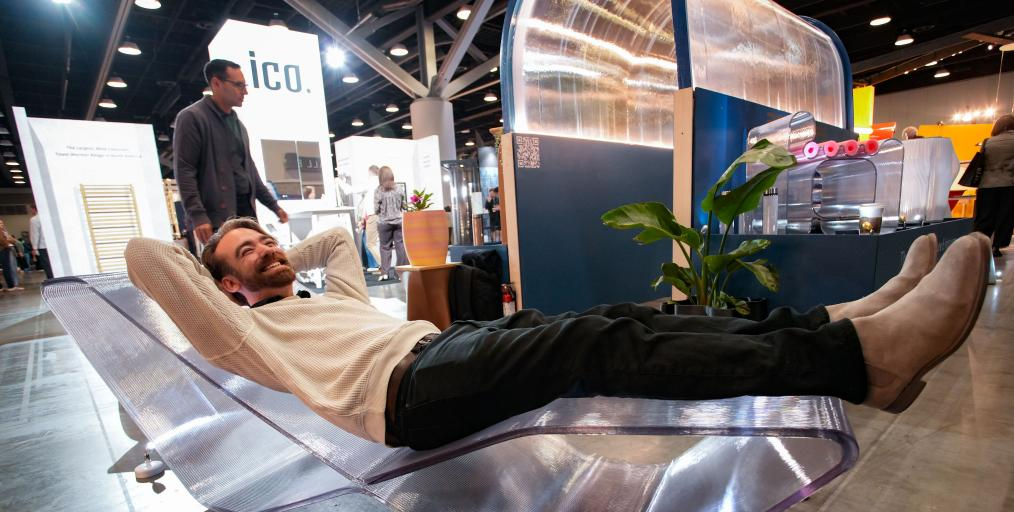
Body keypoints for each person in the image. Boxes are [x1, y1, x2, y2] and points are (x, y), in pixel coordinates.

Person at [125, 221, 990, 452]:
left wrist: (269, 245)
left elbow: (335, 244)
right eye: (249, 253)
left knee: (624, 317)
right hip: (408, 394)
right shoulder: (246, 337)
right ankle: (857, 364)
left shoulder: (328, 293)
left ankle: (837, 323)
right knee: (591, 348)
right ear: (224, 286)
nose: (271, 249)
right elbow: (146, 258)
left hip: (446, 346)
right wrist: (217, 264)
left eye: (267, 238)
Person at [172, 58, 288, 245]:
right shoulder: (192, 117)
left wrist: (274, 207)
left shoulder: (238, 125)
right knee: (227, 261)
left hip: (245, 212)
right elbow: (185, 170)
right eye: (238, 85)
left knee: (255, 257)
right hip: (216, 219)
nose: (245, 92)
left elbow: (250, 172)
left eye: (244, 86)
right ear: (216, 83)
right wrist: (198, 215)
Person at [972, 113, 1014, 258]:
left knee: (984, 216)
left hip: (986, 185)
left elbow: (982, 162)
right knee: (1004, 217)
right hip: (1009, 184)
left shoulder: (988, 142)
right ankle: (996, 246)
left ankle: (979, 244)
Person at [374, 166, 407, 281]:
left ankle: (385, 273)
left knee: (385, 247)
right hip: (398, 221)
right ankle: (400, 273)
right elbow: (404, 205)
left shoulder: (379, 190)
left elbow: (376, 209)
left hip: (384, 223)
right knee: (400, 246)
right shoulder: (399, 189)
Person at [28, 205, 53, 279]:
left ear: (34, 209)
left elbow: (35, 234)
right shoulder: (50, 217)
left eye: (31, 209)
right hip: (53, 245)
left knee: (47, 265)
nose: (31, 211)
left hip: (42, 246)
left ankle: (52, 280)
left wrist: (34, 248)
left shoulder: (34, 219)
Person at [0, 219, 24, 291]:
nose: (2, 225)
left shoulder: (5, 231)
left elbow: (14, 240)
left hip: (10, 249)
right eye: (0, 223)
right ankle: (11, 285)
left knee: (13, 268)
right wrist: (9, 241)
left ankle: (15, 284)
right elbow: (2, 241)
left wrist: (9, 240)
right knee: (8, 268)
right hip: (4, 250)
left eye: (2, 223)